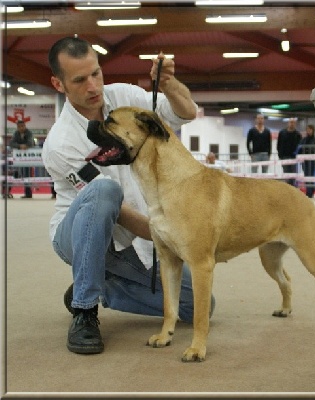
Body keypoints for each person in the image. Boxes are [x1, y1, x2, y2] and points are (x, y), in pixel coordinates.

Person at [42, 36, 215, 355]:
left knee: (197, 306)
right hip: (78, 236)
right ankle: (84, 309)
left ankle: (98, 286)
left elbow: (186, 112)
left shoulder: (127, 97)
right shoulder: (60, 142)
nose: (93, 86)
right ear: (58, 83)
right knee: (105, 189)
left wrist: (169, 83)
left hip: (132, 240)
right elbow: (115, 209)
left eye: (96, 73)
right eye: (80, 80)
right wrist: (174, 235)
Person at [9, 120, 34, 198]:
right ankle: (7, 192)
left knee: (26, 175)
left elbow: (31, 143)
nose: (21, 128)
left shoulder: (29, 133)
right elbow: (11, 143)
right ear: (17, 127)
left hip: (27, 159)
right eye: (19, 127)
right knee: (13, 174)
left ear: (25, 126)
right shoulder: (15, 133)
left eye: (23, 126)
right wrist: (20, 146)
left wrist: (25, 145)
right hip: (17, 159)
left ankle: (28, 194)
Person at [277, 118, 302, 186]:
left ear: (295, 124)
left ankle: (294, 191)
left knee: (294, 176)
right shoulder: (282, 133)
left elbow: (300, 147)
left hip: (294, 158)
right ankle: (288, 191)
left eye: (293, 122)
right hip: (284, 157)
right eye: (291, 122)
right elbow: (278, 145)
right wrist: (280, 155)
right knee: (286, 176)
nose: (292, 124)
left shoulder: (298, 134)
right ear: (288, 123)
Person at [297, 124, 315, 198]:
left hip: (311, 159)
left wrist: (304, 148)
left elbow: (311, 147)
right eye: (307, 129)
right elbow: (300, 146)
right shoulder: (304, 139)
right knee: (306, 175)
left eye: (310, 129)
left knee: (311, 175)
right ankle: (308, 192)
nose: (308, 131)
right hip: (305, 159)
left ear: (313, 130)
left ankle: (311, 192)